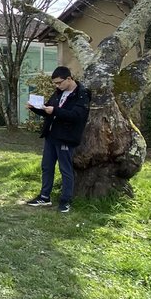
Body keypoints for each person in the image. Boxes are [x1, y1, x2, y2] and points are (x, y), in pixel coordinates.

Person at [26, 66, 91, 213]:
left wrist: (55, 111)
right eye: (55, 84)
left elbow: (76, 116)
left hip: (67, 138)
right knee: (47, 167)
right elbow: (49, 110)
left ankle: (65, 201)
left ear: (69, 79)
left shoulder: (82, 94)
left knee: (65, 170)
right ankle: (44, 197)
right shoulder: (58, 93)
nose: (57, 86)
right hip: (51, 136)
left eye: (59, 83)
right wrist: (35, 108)